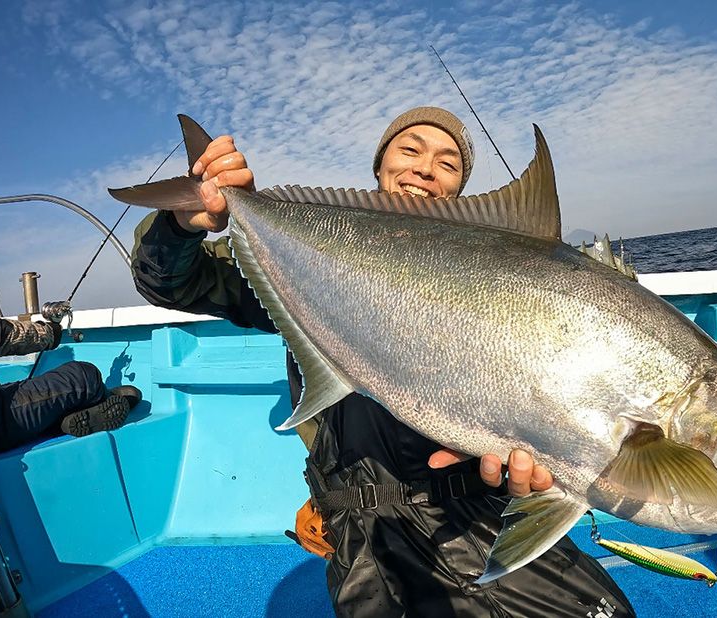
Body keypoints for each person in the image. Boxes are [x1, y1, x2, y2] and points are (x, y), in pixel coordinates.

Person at [131, 106, 635, 617]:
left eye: (448, 162)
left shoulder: (503, 276)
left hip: (476, 508)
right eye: (410, 149)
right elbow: (173, 281)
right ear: (380, 166)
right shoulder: (309, 253)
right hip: (369, 529)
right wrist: (180, 227)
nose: (425, 167)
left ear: (459, 191)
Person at [0, 312, 141, 454]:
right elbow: (6, 335)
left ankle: (61, 421)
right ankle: (105, 398)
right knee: (84, 375)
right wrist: (51, 331)